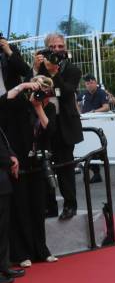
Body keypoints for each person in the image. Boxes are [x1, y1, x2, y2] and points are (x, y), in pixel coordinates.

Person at [7, 76, 58, 267]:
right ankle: (22, 254)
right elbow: (4, 104)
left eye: (45, 89)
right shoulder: (20, 105)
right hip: (19, 163)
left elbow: (50, 130)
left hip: (39, 163)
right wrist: (23, 88)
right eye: (38, 87)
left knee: (38, 208)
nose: (40, 92)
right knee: (21, 208)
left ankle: (41, 250)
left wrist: (38, 107)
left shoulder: (49, 108)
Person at [33, 33, 82, 220]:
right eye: (52, 47)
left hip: (65, 125)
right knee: (43, 165)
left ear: (66, 48)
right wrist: (37, 69)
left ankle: (70, 205)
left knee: (65, 168)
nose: (57, 50)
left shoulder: (73, 70)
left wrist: (54, 73)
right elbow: (33, 89)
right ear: (46, 49)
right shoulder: (42, 69)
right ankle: (50, 206)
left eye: (60, 46)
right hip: (45, 124)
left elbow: (67, 93)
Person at [0, 115, 25, 283]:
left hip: (2, 182)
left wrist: (12, 156)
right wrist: (9, 161)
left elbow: (4, 141)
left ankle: (4, 265)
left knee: (3, 228)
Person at [78, 74, 109, 183]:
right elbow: (77, 103)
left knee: (98, 149)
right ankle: (95, 173)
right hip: (87, 125)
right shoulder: (84, 94)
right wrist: (79, 113)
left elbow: (106, 107)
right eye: (87, 83)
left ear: (95, 82)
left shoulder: (101, 93)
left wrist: (93, 112)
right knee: (87, 149)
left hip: (99, 125)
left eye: (91, 82)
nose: (90, 85)